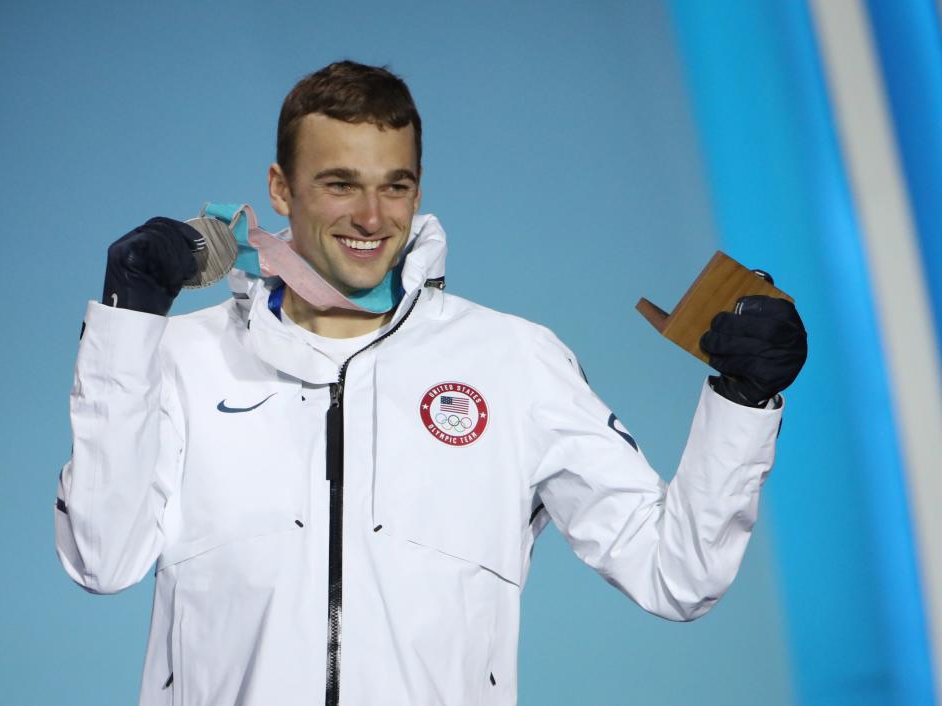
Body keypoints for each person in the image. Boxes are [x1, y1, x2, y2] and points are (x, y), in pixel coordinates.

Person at [54, 60, 807, 706]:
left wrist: (743, 402)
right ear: (280, 189)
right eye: (340, 183)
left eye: (396, 186)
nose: (372, 216)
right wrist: (129, 320)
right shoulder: (184, 356)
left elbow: (675, 575)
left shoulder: (513, 361)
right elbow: (102, 559)